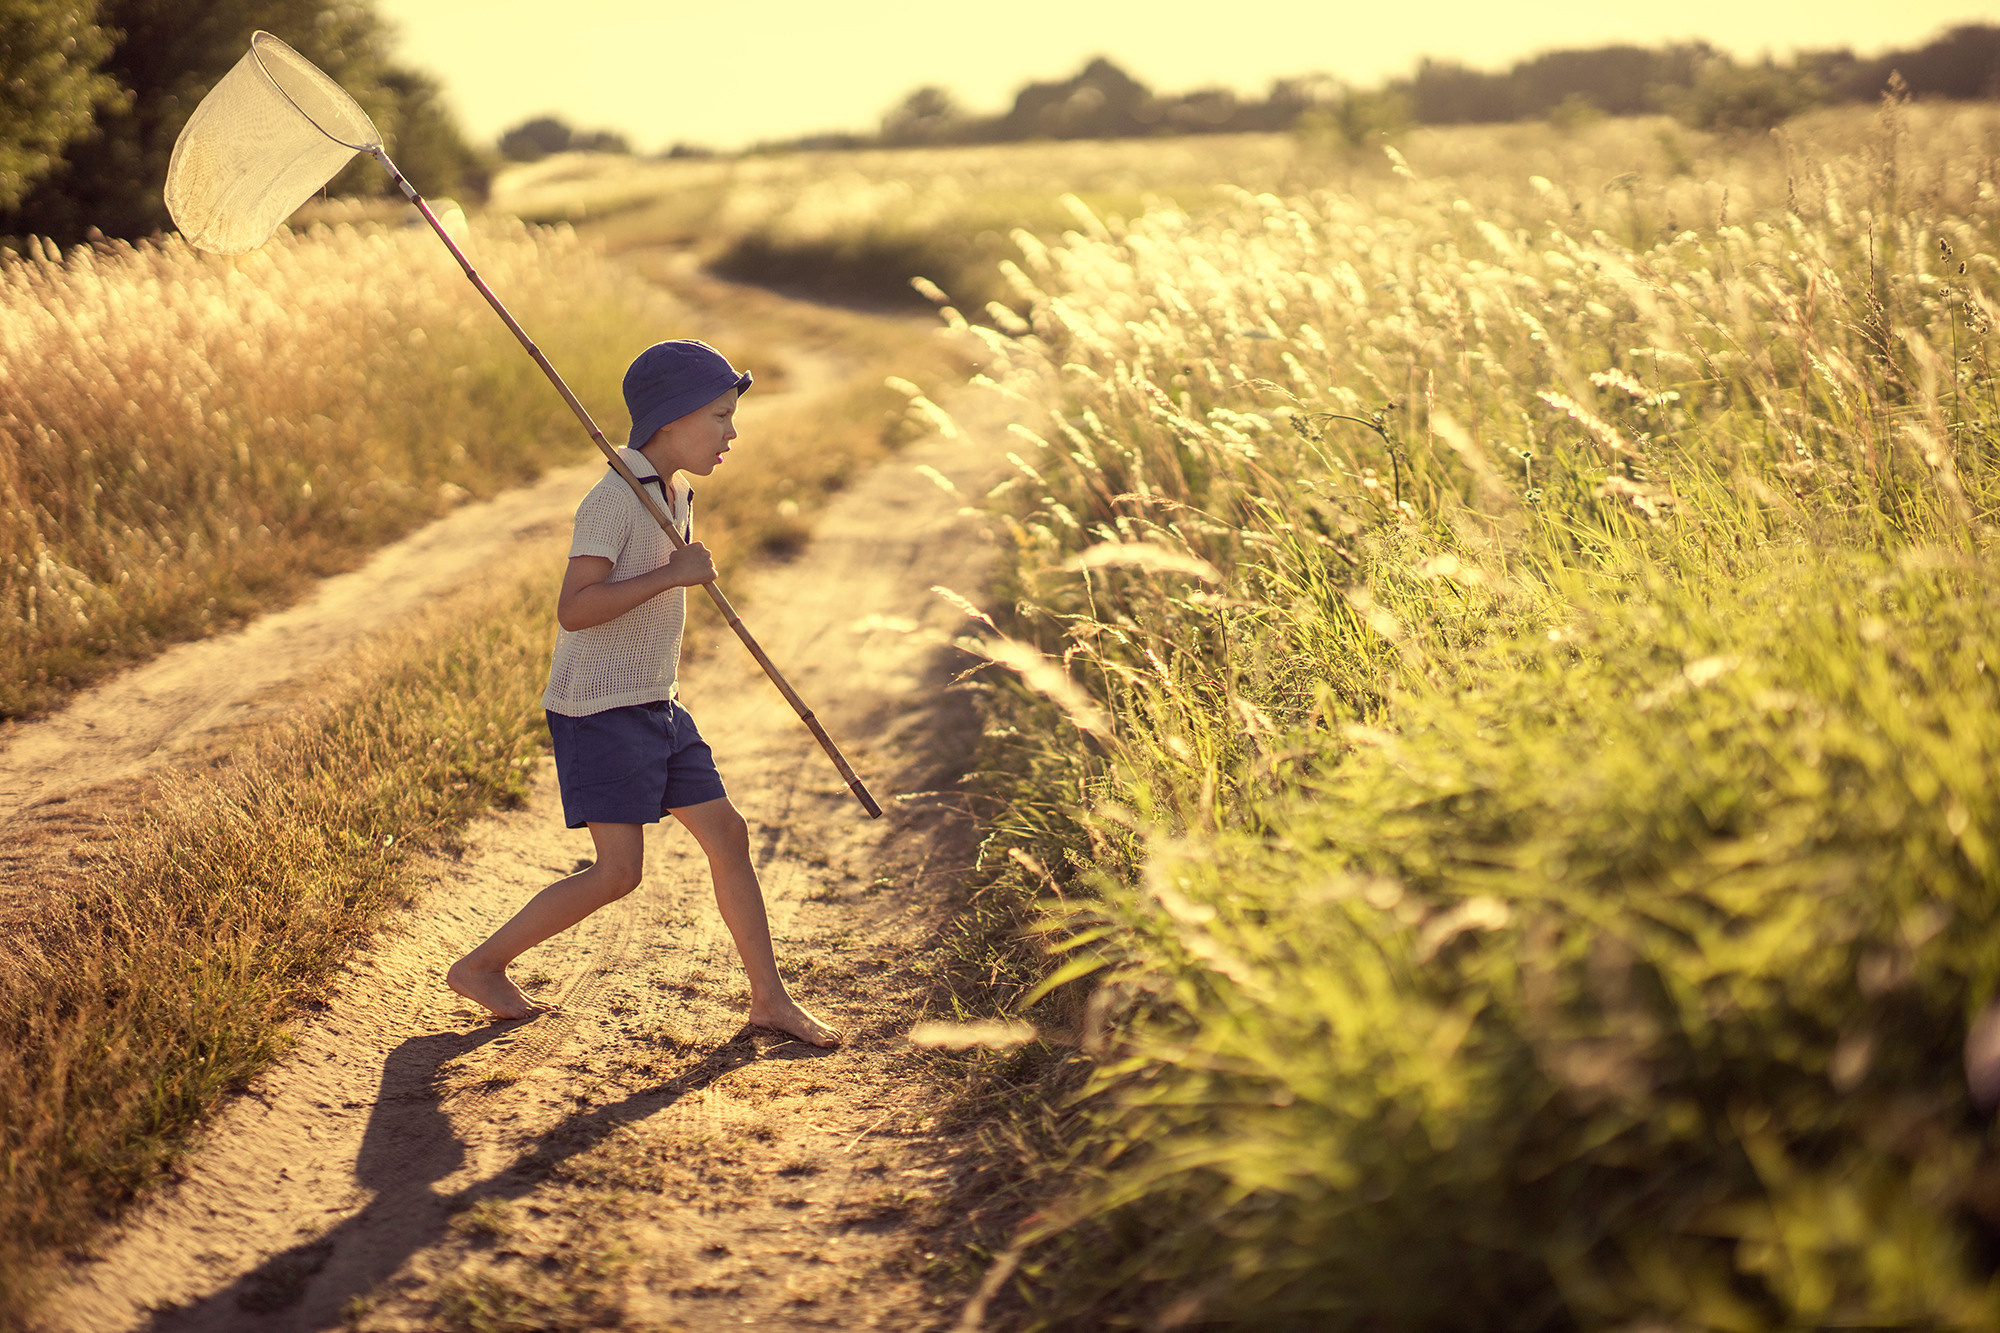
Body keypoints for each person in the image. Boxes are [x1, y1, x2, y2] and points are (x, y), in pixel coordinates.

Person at [447, 339, 840, 1047]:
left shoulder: (675, 491)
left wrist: (679, 571)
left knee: (728, 832)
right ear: (671, 418)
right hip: (600, 707)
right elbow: (576, 607)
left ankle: (769, 998)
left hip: (655, 700)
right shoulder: (613, 500)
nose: (732, 432)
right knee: (617, 873)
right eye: (720, 416)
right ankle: (481, 964)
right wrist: (670, 575)